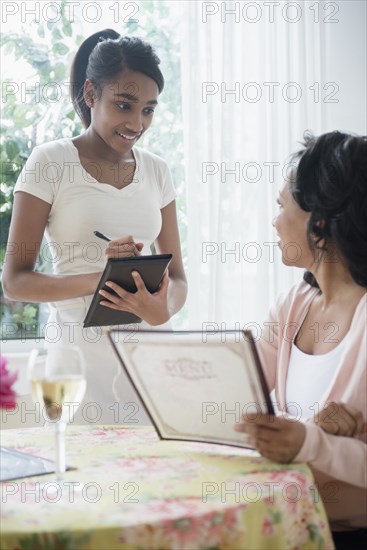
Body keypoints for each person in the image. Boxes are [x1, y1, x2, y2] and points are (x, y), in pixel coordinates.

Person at [2, 29, 187, 424]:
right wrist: (101, 277)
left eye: (149, 110)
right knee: (83, 480)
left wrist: (161, 310)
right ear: (91, 94)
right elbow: (15, 282)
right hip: (78, 366)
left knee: (159, 480)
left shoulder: (158, 171)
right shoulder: (50, 162)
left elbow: (179, 278)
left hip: (151, 361)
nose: (137, 123)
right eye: (124, 105)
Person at [235, 131, 366, 548]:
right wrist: (315, 432)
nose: (274, 221)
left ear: (320, 220)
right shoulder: (294, 303)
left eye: (281, 205)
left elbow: (297, 443)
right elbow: (236, 401)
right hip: (291, 525)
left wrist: (309, 442)